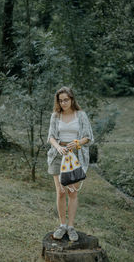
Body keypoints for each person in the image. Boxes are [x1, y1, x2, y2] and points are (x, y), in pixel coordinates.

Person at [47, 86, 94, 242]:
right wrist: (59, 147)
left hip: (76, 156)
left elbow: (88, 137)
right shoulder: (55, 116)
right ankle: (62, 225)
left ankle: (71, 227)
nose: (63, 103)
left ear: (72, 99)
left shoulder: (81, 115)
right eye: (60, 101)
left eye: (66, 100)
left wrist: (78, 143)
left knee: (72, 192)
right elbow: (51, 137)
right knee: (60, 192)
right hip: (58, 156)